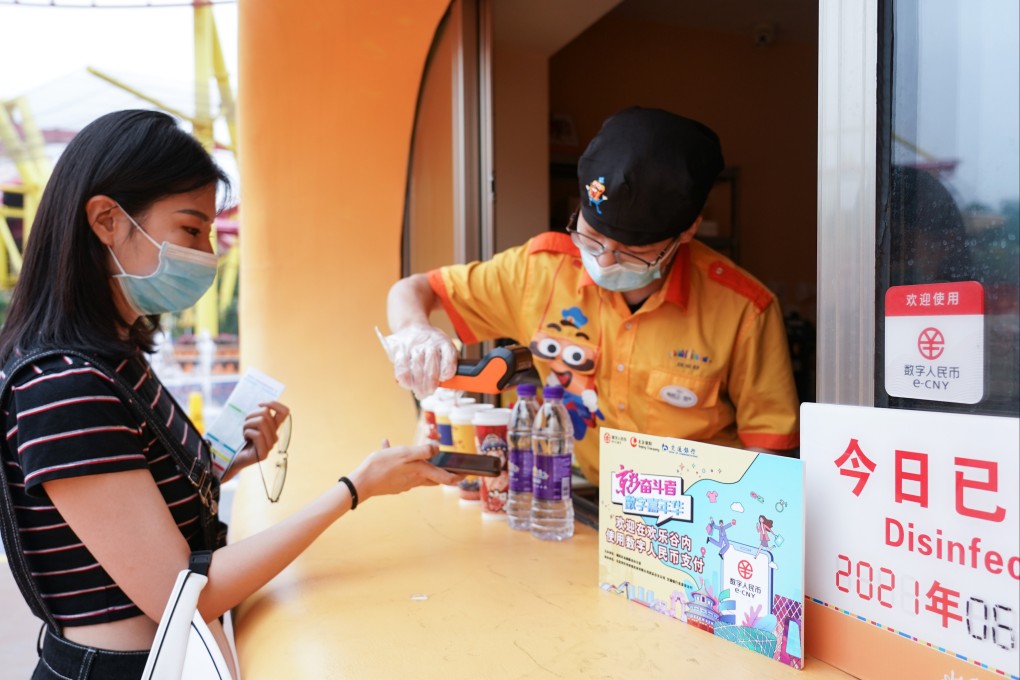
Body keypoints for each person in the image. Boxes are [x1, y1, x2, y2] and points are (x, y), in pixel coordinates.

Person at [0, 110, 458, 680]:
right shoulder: (64, 387)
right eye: (191, 230)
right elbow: (184, 595)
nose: (207, 254)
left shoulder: (112, 359)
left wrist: (225, 463)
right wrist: (353, 489)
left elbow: (135, 512)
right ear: (107, 220)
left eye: (210, 233)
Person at [385, 106, 800, 482]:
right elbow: (414, 289)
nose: (603, 262)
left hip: (697, 518)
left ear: (687, 230)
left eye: (633, 254)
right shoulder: (540, 270)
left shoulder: (744, 309)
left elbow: (770, 451)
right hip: (585, 496)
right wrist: (414, 330)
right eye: (592, 237)